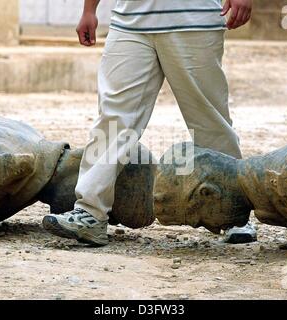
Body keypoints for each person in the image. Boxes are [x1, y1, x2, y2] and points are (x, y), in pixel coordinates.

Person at [43, 0, 254, 246]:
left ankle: (234, 213)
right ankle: (90, 213)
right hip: (130, 22)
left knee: (209, 118)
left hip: (192, 21)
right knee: (113, 118)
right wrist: (89, 10)